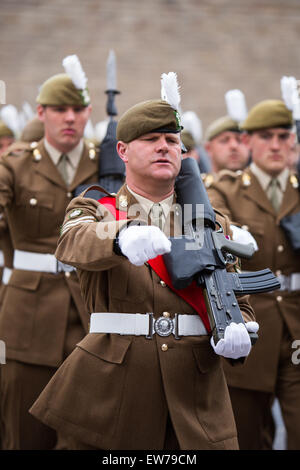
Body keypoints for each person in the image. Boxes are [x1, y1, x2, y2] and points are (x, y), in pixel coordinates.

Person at [30, 73, 257, 451]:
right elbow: (72, 241)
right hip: (111, 389)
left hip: (194, 394)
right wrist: (119, 237)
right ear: (122, 151)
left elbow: (238, 298)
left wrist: (242, 331)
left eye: (172, 141)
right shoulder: (96, 209)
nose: (164, 148)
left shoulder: (212, 222)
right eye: (150, 140)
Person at [0, 55, 100, 449]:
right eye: (60, 110)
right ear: (42, 113)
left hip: (93, 314)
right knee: (25, 431)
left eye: (78, 109)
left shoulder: (107, 164)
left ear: (89, 112)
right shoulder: (17, 164)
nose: (70, 118)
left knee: (88, 435)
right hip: (28, 316)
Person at [206, 99, 300, 450]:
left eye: (283, 135)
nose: (275, 145)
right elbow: (214, 232)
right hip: (251, 325)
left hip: (297, 330)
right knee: (247, 432)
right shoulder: (225, 188)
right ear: (247, 142)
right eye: (265, 137)